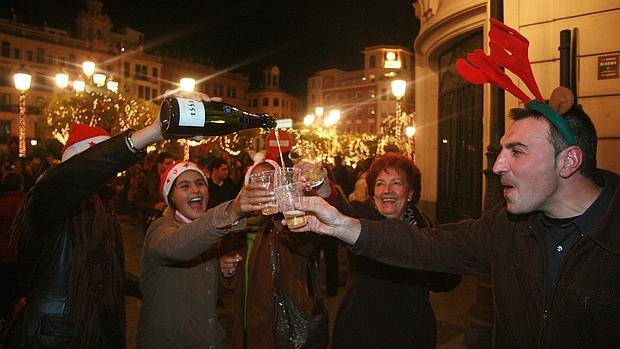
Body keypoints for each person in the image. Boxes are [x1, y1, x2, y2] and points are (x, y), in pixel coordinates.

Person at [291, 101, 620, 348]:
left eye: (517, 151)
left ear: (569, 161)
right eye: (502, 149)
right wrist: (343, 224)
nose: (497, 165)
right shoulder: (505, 227)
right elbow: (429, 245)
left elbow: (441, 275)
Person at [4, 116, 167, 348]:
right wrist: (155, 130)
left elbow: (105, 272)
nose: (112, 174)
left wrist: (147, 288)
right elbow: (73, 177)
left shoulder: (100, 206)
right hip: (53, 336)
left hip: (91, 329)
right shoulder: (49, 196)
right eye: (103, 163)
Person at [136, 160, 272, 349]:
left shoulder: (207, 233)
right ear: (171, 197)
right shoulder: (161, 227)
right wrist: (231, 211)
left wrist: (220, 269)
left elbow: (205, 293)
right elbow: (177, 247)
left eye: (200, 184)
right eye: (185, 186)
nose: (196, 190)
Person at [331, 153, 461, 348]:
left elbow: (446, 280)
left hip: (413, 331)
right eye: (380, 184)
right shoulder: (362, 217)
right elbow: (341, 214)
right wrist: (323, 187)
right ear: (373, 192)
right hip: (362, 331)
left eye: (396, 183)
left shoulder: (425, 225)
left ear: (410, 192)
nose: (386, 191)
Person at [219, 159, 333, 349]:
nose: (265, 191)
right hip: (246, 330)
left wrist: (296, 205)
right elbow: (227, 286)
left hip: (282, 332)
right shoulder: (236, 230)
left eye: (271, 183)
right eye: (258, 185)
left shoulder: (286, 226)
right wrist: (225, 269)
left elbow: (304, 245)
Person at [0, 172, 25, 325]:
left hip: (2, 255)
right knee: (18, 289)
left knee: (3, 288)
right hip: (21, 254)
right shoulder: (26, 203)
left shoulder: (2, 204)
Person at [133, 151, 176, 230]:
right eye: (168, 163)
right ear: (159, 164)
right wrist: (154, 206)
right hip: (152, 219)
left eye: (172, 163)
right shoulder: (147, 180)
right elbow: (137, 201)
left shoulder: (173, 179)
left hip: (170, 220)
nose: (171, 166)